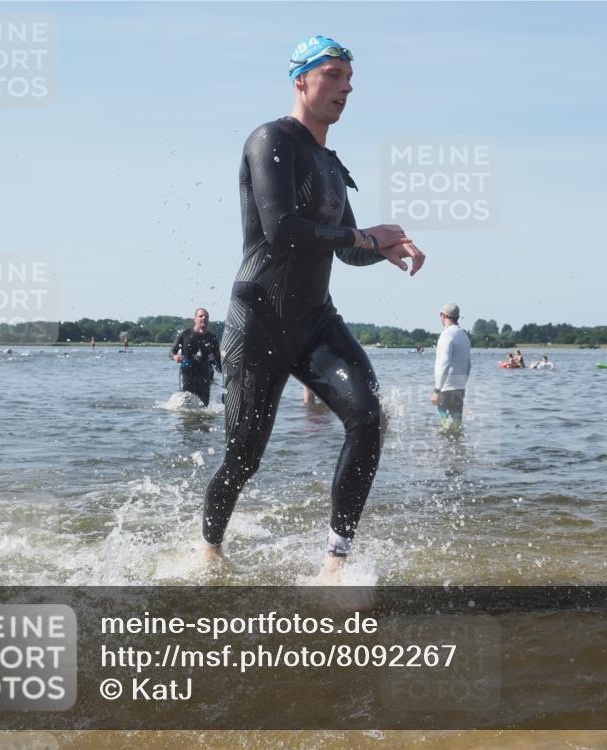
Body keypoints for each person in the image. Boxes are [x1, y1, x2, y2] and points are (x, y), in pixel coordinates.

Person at [202, 36, 425, 578]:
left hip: (314, 320)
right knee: (244, 458)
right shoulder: (271, 140)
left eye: (349, 78)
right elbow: (282, 230)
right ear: (300, 79)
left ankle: (334, 564)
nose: (346, 87)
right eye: (333, 75)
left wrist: (383, 248)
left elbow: (343, 248)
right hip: (259, 320)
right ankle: (208, 550)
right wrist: (367, 236)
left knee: (367, 417)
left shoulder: (329, 164)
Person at [429, 303, 471, 430]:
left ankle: (447, 443)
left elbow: (445, 362)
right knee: (456, 428)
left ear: (444, 316)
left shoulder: (447, 334)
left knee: (447, 428)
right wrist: (462, 385)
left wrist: (437, 390)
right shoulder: (464, 335)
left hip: (446, 388)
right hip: (460, 388)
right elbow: (469, 365)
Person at [170, 308, 222, 407]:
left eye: (206, 316)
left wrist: (225, 373)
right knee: (185, 401)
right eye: (201, 316)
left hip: (204, 374)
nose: (204, 318)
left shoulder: (212, 338)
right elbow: (171, 352)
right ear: (195, 319)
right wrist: (175, 357)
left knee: (204, 406)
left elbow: (218, 361)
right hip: (187, 373)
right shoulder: (185, 334)